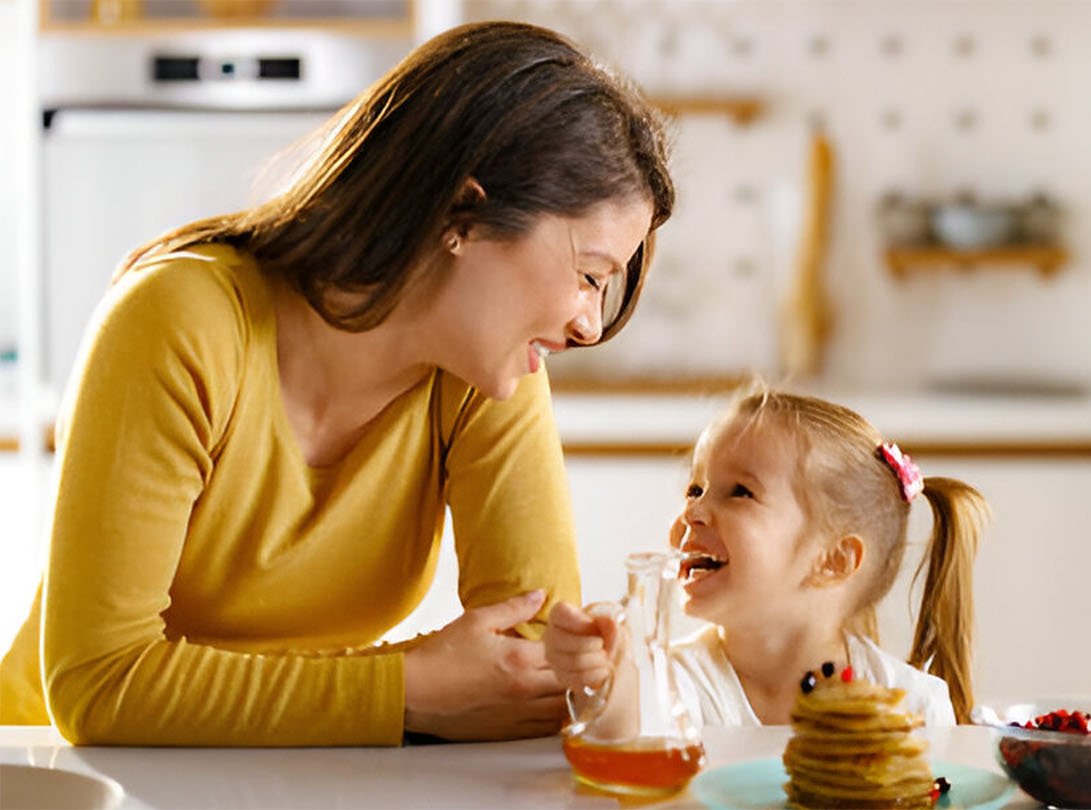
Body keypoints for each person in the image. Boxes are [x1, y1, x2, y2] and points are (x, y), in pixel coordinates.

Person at [0, 21, 675, 745]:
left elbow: (526, 664)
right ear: (464, 213)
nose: (590, 326)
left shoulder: (485, 376)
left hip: (291, 774)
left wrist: (553, 670)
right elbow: (97, 684)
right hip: (56, 772)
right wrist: (408, 686)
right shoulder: (181, 320)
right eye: (589, 276)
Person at [544, 387, 988, 728]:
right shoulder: (677, 682)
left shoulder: (912, 706)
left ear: (832, 560)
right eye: (695, 488)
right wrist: (603, 676)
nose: (692, 511)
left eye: (740, 492)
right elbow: (622, 730)